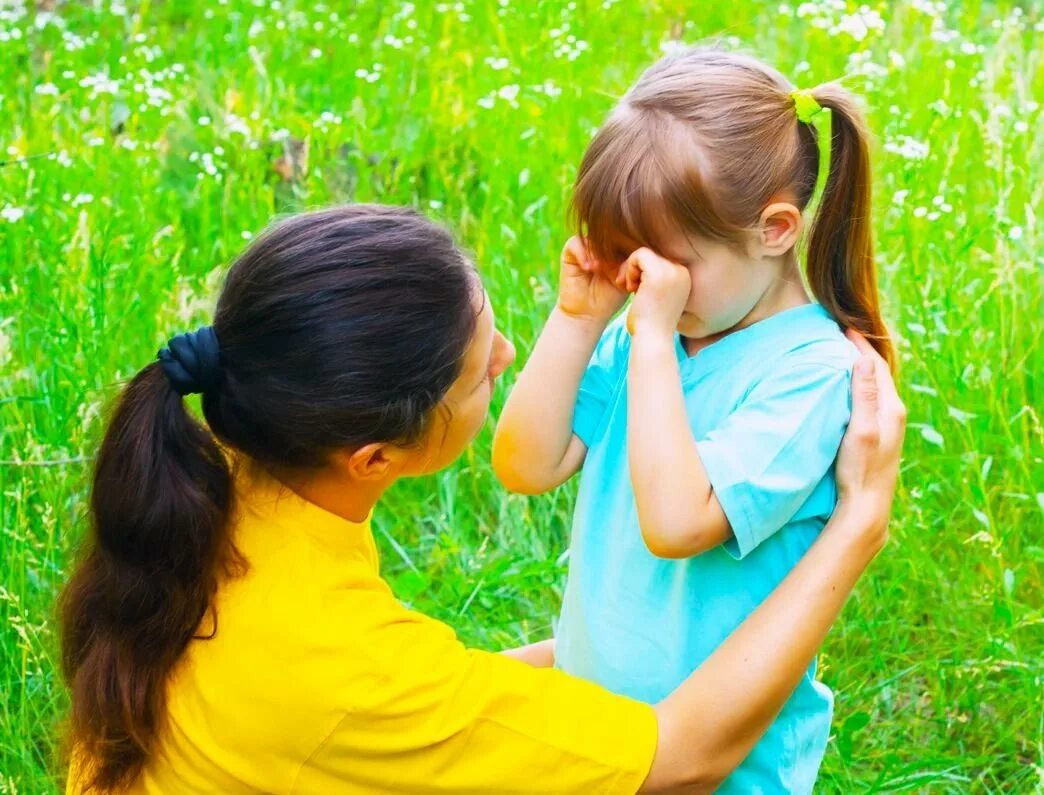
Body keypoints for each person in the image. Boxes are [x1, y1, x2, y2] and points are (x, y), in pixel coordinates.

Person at [59, 204, 904, 793]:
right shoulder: (352, 669)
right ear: (373, 456)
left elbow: (431, 707)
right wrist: (854, 528)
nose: (505, 352)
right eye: (476, 370)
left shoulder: (224, 482)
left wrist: (615, 643)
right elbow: (678, 763)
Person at [493, 47, 891, 792]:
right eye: (630, 264)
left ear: (774, 230)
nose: (644, 287)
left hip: (718, 770)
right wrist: (578, 320)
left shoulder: (809, 375)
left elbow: (677, 522)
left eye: (669, 265)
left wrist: (648, 335)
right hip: (607, 741)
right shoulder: (657, 334)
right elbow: (525, 465)